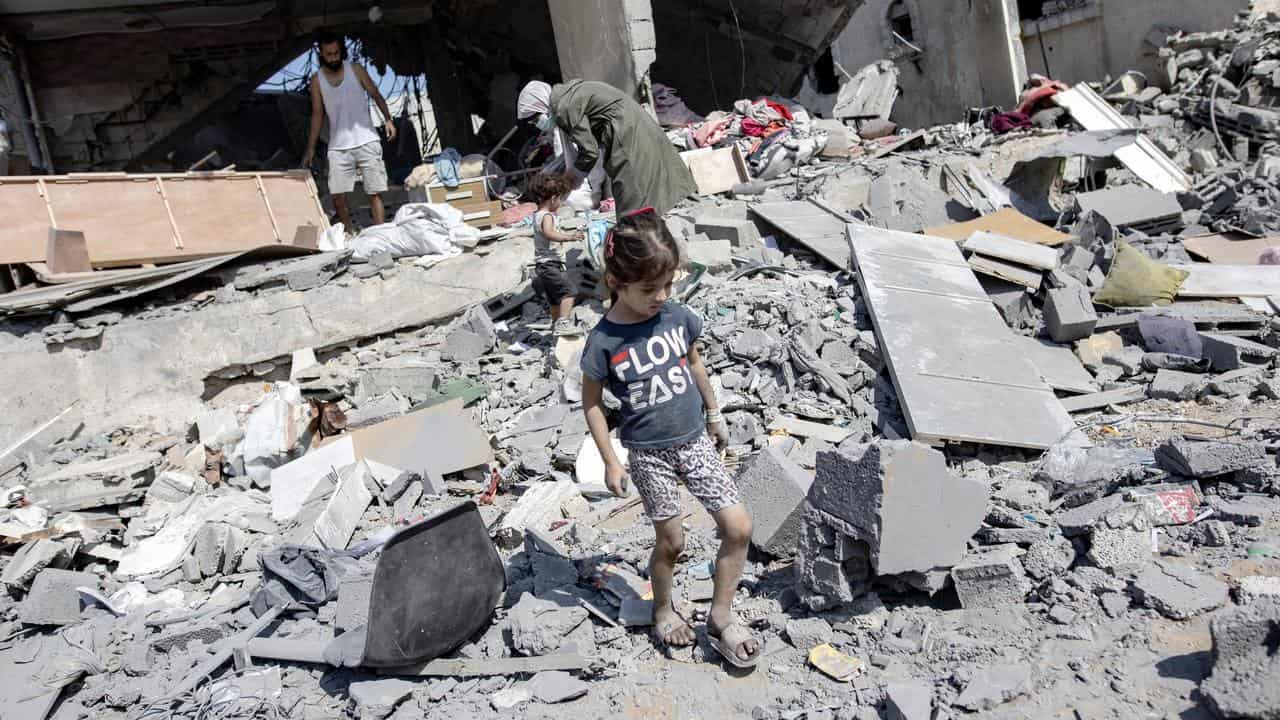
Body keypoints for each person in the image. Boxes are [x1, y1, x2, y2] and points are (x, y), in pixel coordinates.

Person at [579, 209, 761, 668]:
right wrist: (611, 461)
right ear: (617, 280)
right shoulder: (603, 341)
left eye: (668, 285)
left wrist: (715, 412)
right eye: (649, 290)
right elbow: (593, 405)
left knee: (739, 527)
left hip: (696, 441)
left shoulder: (677, 317)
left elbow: (695, 363)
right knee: (673, 542)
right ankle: (663, 608)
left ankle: (720, 615)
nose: (661, 297)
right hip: (650, 456)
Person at [516, 80, 697, 216]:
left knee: (631, 201)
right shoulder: (568, 95)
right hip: (630, 129)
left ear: (541, 104)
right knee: (638, 193)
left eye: (535, 119)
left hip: (627, 134)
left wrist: (572, 179)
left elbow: (589, 151)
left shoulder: (565, 107)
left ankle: (642, 250)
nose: (537, 125)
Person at [301, 30, 397, 229]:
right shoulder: (317, 81)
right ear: (322, 54)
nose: (334, 57)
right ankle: (350, 232)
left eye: (336, 53)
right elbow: (317, 115)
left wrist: (388, 119)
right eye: (329, 54)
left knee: (374, 192)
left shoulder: (356, 69)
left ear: (341, 51)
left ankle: (379, 233)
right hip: (338, 146)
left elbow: (376, 94)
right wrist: (310, 148)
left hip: (367, 140)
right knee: (337, 196)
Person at [528, 172, 585, 336]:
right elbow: (549, 233)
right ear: (553, 198)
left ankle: (555, 325)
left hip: (542, 266)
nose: (560, 202)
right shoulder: (547, 216)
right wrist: (570, 237)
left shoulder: (537, 215)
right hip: (551, 264)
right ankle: (563, 324)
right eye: (560, 198)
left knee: (554, 299)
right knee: (569, 292)